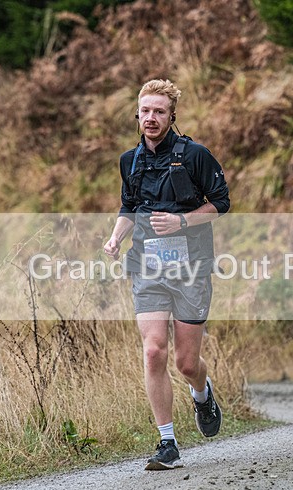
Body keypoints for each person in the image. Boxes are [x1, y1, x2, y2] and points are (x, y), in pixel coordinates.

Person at [104, 79, 230, 470]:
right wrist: (114, 239)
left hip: (191, 268)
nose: (151, 118)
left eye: (159, 111)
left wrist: (182, 221)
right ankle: (167, 443)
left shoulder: (195, 155)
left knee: (186, 362)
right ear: (137, 115)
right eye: (145, 111)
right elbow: (129, 206)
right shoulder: (131, 160)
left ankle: (202, 394)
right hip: (146, 267)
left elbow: (221, 204)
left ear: (171, 115)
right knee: (153, 349)